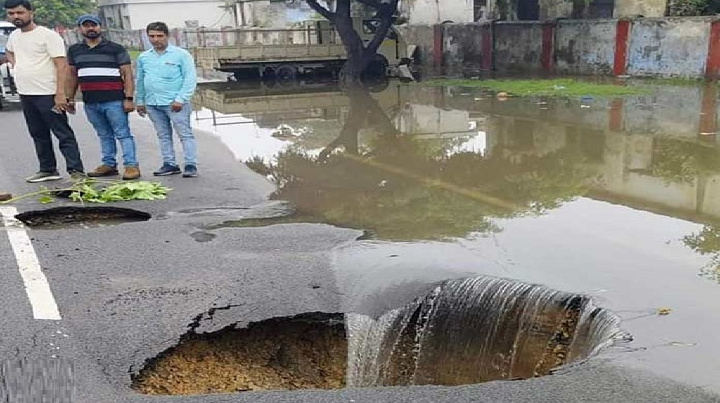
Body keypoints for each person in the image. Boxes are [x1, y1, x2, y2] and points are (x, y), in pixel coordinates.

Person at [3, 0, 85, 183]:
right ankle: (48, 169)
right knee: (38, 133)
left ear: (31, 12)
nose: (16, 16)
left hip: (48, 94)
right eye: (11, 14)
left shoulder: (47, 36)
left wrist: (60, 94)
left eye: (20, 12)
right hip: (26, 94)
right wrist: (17, 67)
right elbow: (9, 52)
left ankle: (76, 171)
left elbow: (61, 65)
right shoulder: (14, 36)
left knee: (62, 133)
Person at [67, 15, 140, 180]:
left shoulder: (116, 48)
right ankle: (109, 164)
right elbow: (72, 76)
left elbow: (127, 74)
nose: (90, 28)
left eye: (94, 25)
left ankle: (131, 165)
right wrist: (69, 98)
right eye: (86, 26)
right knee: (103, 134)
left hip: (114, 100)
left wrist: (128, 98)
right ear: (80, 29)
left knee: (123, 133)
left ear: (101, 27)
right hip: (91, 101)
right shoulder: (74, 50)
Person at [135, 21, 198, 178]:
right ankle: (169, 164)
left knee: (185, 134)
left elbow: (189, 78)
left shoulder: (181, 55)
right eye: (152, 36)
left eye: (159, 36)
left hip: (175, 103)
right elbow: (140, 80)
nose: (156, 39)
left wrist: (181, 99)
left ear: (167, 36)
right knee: (163, 135)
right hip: (153, 103)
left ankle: (190, 165)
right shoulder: (144, 57)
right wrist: (140, 101)